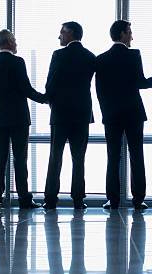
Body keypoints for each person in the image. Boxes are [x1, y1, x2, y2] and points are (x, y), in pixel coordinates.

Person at [96, 20, 152, 210]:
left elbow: (99, 90)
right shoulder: (134, 55)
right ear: (123, 34)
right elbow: (139, 82)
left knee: (113, 157)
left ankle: (113, 200)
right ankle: (138, 199)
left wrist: (106, 111)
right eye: (130, 32)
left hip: (111, 115)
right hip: (133, 113)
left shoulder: (101, 59)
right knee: (137, 155)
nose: (132, 36)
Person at [0, 29, 48, 209]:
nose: (16, 44)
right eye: (15, 40)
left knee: (0, 158)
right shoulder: (18, 62)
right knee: (20, 158)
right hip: (19, 117)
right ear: (10, 42)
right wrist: (45, 99)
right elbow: (26, 89)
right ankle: (24, 198)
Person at [43, 22, 96, 210]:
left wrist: (50, 102)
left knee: (55, 157)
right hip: (82, 113)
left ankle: (50, 199)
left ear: (71, 33)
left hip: (60, 113)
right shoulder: (90, 57)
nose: (59, 36)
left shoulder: (59, 55)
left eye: (62, 33)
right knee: (79, 158)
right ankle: (78, 199)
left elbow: (51, 83)